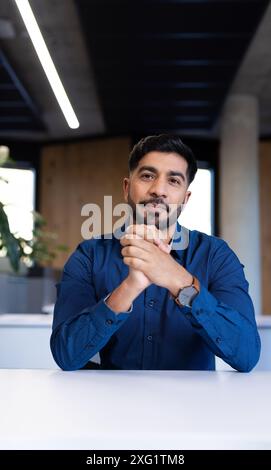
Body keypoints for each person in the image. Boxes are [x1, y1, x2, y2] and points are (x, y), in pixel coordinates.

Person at [50, 134, 260, 372]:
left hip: (195, 407)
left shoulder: (216, 255)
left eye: (174, 181)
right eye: (148, 176)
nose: (158, 189)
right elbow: (66, 355)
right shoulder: (89, 256)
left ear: (185, 198)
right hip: (112, 404)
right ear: (127, 188)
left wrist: (180, 281)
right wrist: (130, 287)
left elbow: (246, 355)